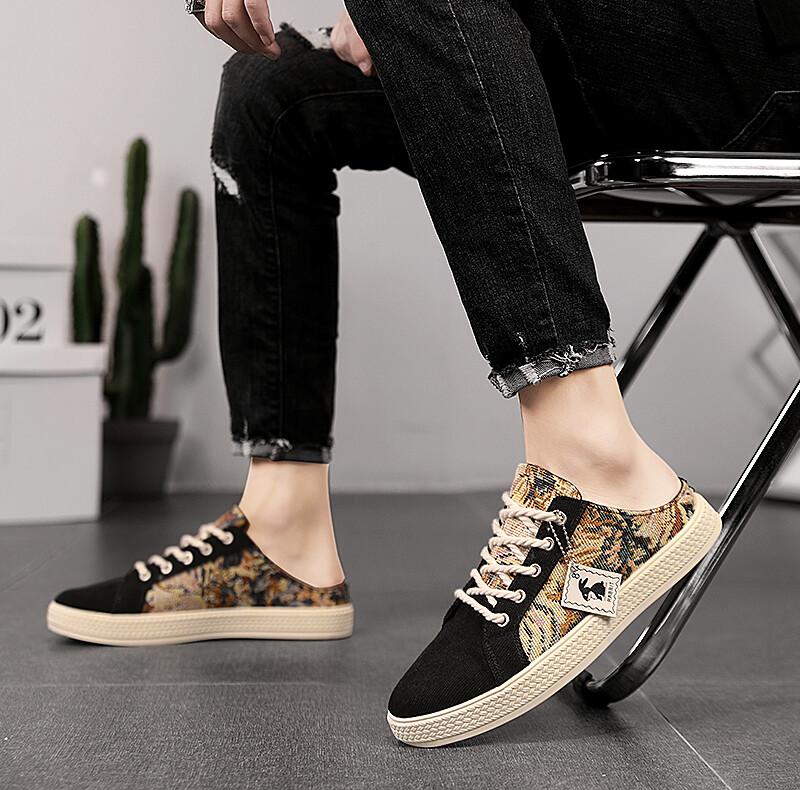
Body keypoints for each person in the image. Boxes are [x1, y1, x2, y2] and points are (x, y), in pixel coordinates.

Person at [48, 0, 800, 746]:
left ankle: (600, 465)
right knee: (268, 95)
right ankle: (285, 534)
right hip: (607, 59)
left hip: (761, 62)